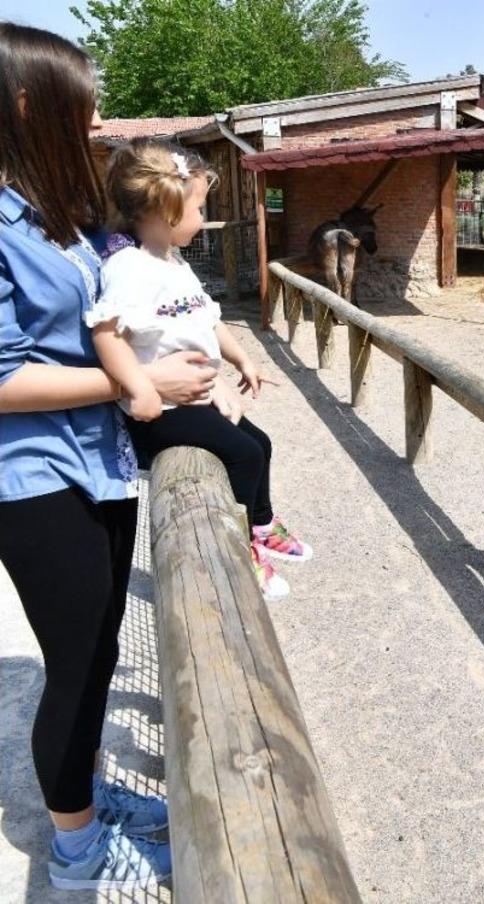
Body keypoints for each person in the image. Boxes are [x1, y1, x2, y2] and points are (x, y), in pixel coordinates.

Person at [0, 23, 216, 890]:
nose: (93, 125)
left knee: (96, 657)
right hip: (33, 475)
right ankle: (79, 852)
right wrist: (136, 382)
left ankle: (85, 801)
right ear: (29, 105)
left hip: (95, 461)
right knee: (81, 665)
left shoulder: (51, 216)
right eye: (83, 109)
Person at [88, 139, 313, 602]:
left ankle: (262, 522)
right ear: (168, 211)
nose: (202, 218)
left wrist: (241, 360)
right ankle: (244, 544)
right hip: (164, 407)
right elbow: (106, 334)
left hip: (195, 394)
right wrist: (138, 389)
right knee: (243, 454)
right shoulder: (128, 268)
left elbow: (208, 319)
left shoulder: (173, 263)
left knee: (260, 443)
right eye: (198, 208)